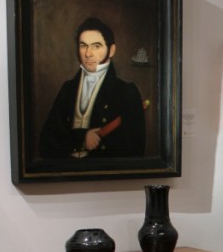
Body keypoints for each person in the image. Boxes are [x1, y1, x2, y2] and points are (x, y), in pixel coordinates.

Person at [39, 17, 146, 158]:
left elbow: (135, 149)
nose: (88, 53)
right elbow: (47, 140)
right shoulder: (68, 89)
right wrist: (83, 137)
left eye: (96, 46)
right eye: (83, 45)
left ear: (111, 50)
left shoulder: (126, 92)